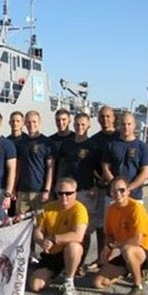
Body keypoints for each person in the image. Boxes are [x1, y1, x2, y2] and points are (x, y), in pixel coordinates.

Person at [93, 176, 148, 295]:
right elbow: (109, 235)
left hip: (144, 252)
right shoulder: (111, 209)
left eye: (122, 190)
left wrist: (113, 246)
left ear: (128, 191)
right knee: (99, 283)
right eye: (114, 191)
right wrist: (106, 249)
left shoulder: (136, 208)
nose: (118, 194)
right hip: (125, 251)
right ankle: (129, 271)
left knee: (128, 250)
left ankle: (137, 286)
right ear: (110, 193)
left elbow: (137, 240)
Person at [29, 177, 88, 295]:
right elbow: (38, 231)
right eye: (60, 193)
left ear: (75, 193)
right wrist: (42, 241)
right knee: (35, 286)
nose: (64, 197)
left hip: (68, 249)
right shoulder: (47, 208)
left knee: (74, 246)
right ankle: (55, 272)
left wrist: (53, 238)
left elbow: (78, 235)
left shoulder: (79, 209)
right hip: (52, 253)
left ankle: (69, 280)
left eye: (68, 193)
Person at [57, 113, 100, 273]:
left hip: (84, 192)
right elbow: (61, 165)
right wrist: (58, 186)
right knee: (65, 228)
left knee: (83, 231)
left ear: (88, 126)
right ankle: (65, 262)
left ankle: (79, 264)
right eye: (77, 124)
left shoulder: (94, 146)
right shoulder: (67, 144)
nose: (80, 127)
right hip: (66, 194)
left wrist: (97, 186)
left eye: (83, 124)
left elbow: (101, 170)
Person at [87, 105, 119, 271]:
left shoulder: (120, 138)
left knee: (118, 227)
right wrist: (100, 182)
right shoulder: (94, 140)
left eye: (108, 116)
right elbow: (91, 165)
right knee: (102, 226)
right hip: (100, 188)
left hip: (118, 190)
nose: (105, 119)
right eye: (102, 116)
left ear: (114, 118)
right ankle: (102, 258)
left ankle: (120, 261)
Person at [102, 112, 148, 202]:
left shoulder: (143, 147)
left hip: (134, 197)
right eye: (123, 124)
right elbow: (106, 168)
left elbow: (145, 173)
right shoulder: (111, 145)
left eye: (129, 124)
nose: (126, 127)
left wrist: (128, 188)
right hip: (113, 197)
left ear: (134, 125)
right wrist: (116, 187)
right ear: (119, 126)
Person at [15, 110, 54, 213]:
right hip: (22, 192)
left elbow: (50, 168)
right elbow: (18, 167)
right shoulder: (21, 143)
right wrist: (15, 188)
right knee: (20, 224)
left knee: (41, 224)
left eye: (34, 122)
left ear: (39, 122)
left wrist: (47, 190)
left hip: (39, 191)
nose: (31, 124)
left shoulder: (46, 143)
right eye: (28, 122)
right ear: (24, 123)